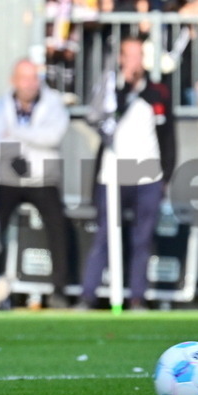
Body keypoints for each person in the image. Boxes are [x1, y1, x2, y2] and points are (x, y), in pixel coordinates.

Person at [78, 36, 176, 310]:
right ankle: (88, 295)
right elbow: (100, 118)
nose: (135, 62)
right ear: (121, 58)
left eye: (139, 55)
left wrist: (166, 174)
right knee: (103, 237)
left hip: (148, 177)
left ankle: (137, 297)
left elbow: (168, 136)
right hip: (112, 176)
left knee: (142, 239)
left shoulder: (157, 91)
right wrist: (124, 88)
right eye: (130, 55)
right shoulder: (111, 88)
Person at [0, 58, 70, 308]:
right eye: (24, 78)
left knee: (58, 226)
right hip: (9, 177)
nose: (30, 84)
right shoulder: (0, 107)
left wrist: (17, 134)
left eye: (34, 78)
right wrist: (30, 143)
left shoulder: (53, 103)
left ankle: (60, 289)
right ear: (14, 80)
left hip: (43, 178)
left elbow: (53, 136)